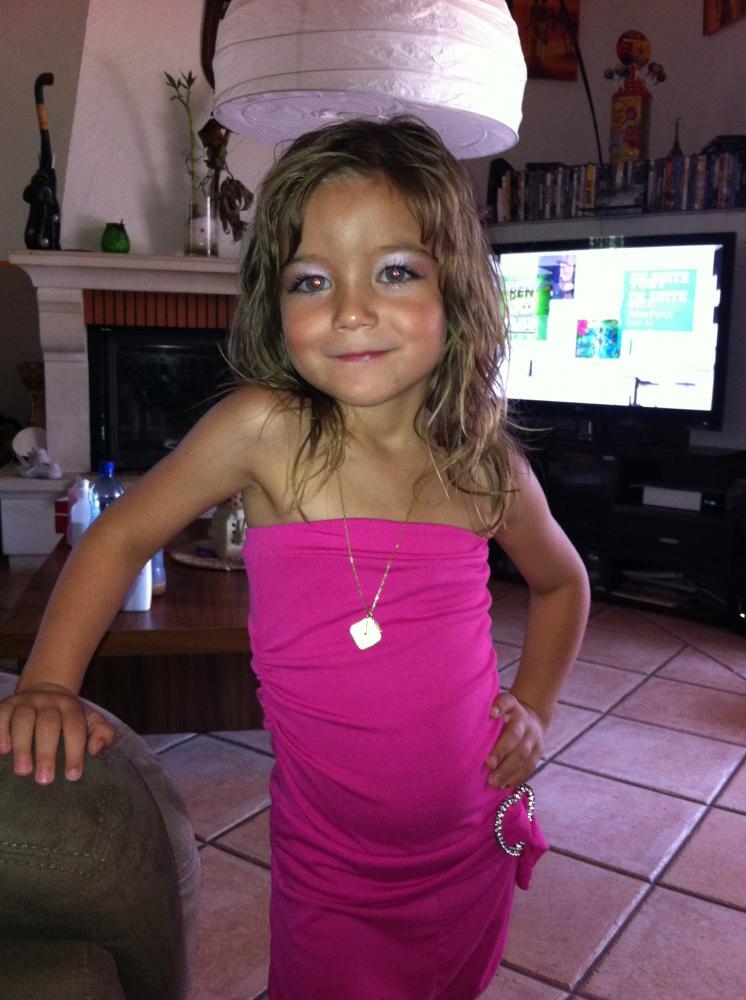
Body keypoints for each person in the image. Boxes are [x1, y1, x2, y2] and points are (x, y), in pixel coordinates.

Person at [0, 116, 590, 999]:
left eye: (395, 271)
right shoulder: (263, 431)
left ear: (459, 290)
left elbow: (563, 582)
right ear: (275, 304)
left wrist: (535, 706)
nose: (351, 310)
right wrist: (49, 681)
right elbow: (121, 535)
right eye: (313, 280)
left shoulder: (483, 465)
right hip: (334, 869)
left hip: (471, 845)